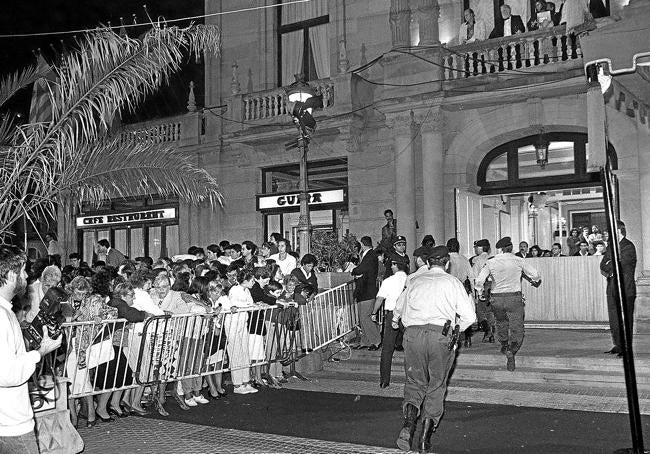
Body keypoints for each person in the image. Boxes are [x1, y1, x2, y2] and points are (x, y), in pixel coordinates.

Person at [392, 246, 476, 453]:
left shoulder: (414, 281)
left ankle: (408, 427)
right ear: (447, 263)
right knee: (436, 385)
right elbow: (470, 317)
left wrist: (396, 321)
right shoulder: (453, 282)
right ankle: (424, 439)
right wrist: (456, 332)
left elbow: (398, 309)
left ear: (428, 263)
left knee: (414, 382)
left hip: (413, 336)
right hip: (440, 336)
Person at [0, 246, 62, 454]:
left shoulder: (6, 311)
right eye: (23, 271)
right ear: (10, 275)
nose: (26, 276)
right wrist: (40, 352)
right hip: (11, 424)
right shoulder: (2, 316)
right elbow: (7, 373)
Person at [475, 237, 541, 372]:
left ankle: (504, 344)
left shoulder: (491, 262)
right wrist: (535, 281)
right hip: (514, 298)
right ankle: (512, 350)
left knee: (501, 323)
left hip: (497, 299)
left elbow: (479, 281)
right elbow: (535, 275)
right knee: (517, 327)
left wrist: (481, 292)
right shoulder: (518, 260)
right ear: (511, 248)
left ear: (500, 249)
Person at [601, 220, 636, 357]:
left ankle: (626, 348)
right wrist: (611, 265)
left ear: (619, 230)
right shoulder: (611, 246)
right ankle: (618, 345)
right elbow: (603, 265)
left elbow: (618, 265)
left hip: (625, 289)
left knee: (625, 320)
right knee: (614, 319)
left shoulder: (628, 246)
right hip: (612, 288)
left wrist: (611, 265)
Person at [371, 260, 408, 388]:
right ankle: (411, 380)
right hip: (407, 315)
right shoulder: (410, 280)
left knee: (387, 349)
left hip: (391, 314)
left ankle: (384, 381)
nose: (391, 267)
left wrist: (374, 312)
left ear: (396, 266)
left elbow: (380, 298)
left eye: (392, 264)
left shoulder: (388, 281)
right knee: (410, 348)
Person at [351, 237, 381, 350]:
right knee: (362, 318)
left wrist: (354, 271)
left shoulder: (370, 255)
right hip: (364, 291)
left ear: (362, 245)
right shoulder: (370, 255)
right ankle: (366, 341)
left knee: (365, 318)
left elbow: (361, 269)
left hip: (367, 291)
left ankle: (376, 341)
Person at [471, 239, 495, 343]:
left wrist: (477, 292)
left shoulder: (477, 260)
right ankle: (491, 331)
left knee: (480, 311)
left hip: (483, 286)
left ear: (481, 248)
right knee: (489, 310)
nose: (475, 249)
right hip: (493, 286)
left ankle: (487, 331)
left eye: (477, 247)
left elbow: (475, 277)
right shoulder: (493, 258)